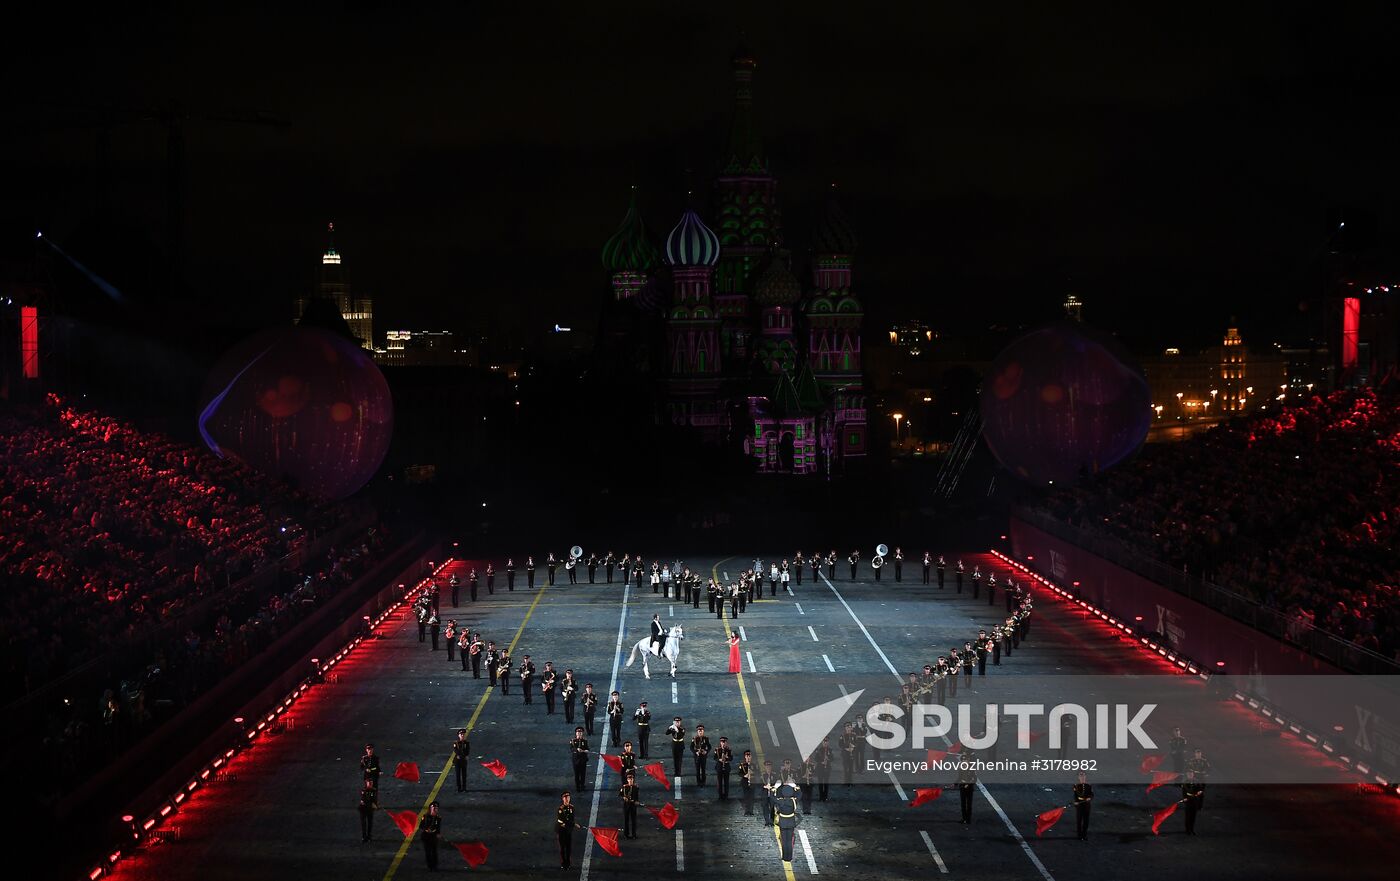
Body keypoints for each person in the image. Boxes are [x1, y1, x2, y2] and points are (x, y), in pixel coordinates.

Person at [774, 780, 800, 861]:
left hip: (783, 822)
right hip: (791, 821)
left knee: (784, 841)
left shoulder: (781, 801)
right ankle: (789, 857)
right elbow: (800, 794)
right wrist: (796, 787)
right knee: (789, 841)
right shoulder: (793, 801)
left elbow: (772, 798)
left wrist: (774, 788)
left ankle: (785, 857)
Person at [556, 791, 577, 869]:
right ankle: (563, 862)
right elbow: (562, 821)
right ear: (562, 799)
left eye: (568, 797)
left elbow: (572, 819)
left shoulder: (572, 808)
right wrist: (573, 824)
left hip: (568, 831)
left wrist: (573, 824)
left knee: (568, 848)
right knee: (562, 848)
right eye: (565, 798)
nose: (567, 799)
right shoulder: (560, 809)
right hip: (561, 831)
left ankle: (568, 862)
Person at [620, 772, 640, 839]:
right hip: (626, 805)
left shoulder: (636, 787)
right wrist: (624, 797)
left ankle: (634, 834)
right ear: (627, 780)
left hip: (633, 805)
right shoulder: (624, 787)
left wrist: (637, 801)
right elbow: (621, 794)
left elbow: (636, 796)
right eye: (629, 779)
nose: (630, 780)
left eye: (631, 779)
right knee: (626, 820)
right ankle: (626, 834)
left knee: (634, 821)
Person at [422, 801, 442, 870]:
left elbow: (438, 827)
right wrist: (427, 830)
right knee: (428, 852)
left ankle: (434, 866)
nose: (435, 809)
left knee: (434, 851)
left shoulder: (438, 818)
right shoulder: (425, 817)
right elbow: (421, 826)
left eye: (436, 808)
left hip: (433, 837)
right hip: (426, 836)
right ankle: (430, 866)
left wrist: (438, 833)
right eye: (433, 808)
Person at [1073, 771, 1092, 840]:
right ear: (1078, 777)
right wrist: (1076, 802)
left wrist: (1090, 798)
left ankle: (1084, 835)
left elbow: (1091, 794)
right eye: (1081, 775)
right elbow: (1075, 795)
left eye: (1083, 775)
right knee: (1079, 820)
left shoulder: (1089, 785)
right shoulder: (1076, 785)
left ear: (1085, 776)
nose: (1082, 776)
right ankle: (1079, 835)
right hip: (1079, 805)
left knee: (1086, 821)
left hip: (1086, 805)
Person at [839, 722, 857, 787]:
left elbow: (856, 743)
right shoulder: (842, 735)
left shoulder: (854, 735)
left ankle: (850, 782)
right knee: (846, 768)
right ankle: (845, 782)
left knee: (851, 768)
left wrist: (853, 746)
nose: (848, 728)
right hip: (845, 754)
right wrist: (846, 748)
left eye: (850, 727)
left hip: (852, 753)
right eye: (847, 727)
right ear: (845, 728)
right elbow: (840, 744)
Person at [452, 728, 471, 792]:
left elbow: (467, 751)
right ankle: (459, 787)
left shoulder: (467, 743)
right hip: (458, 761)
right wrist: (463, 755)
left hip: (463, 760)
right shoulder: (456, 743)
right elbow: (456, 751)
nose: (462, 735)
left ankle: (464, 787)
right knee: (458, 774)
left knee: (464, 774)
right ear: (458, 735)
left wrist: (462, 755)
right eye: (461, 734)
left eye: (463, 734)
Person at [738, 749, 755, 815]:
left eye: (749, 756)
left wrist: (753, 774)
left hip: (753, 782)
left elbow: (758, 773)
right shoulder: (742, 765)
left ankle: (751, 811)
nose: (748, 757)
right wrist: (745, 775)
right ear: (745, 757)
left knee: (751, 797)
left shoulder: (754, 765)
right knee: (746, 797)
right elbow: (739, 773)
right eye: (747, 756)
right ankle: (746, 811)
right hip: (745, 782)